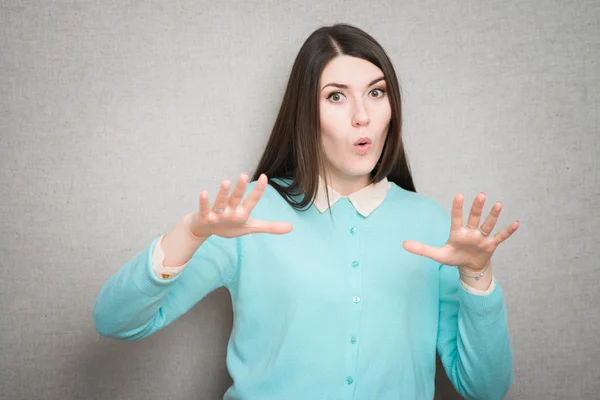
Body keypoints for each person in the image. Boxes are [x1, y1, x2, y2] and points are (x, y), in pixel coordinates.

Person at [93, 23, 519, 400]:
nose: (362, 116)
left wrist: (477, 278)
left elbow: (484, 388)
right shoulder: (249, 216)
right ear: (305, 114)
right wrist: (188, 234)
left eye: (376, 92)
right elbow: (116, 320)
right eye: (336, 97)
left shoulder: (430, 223)